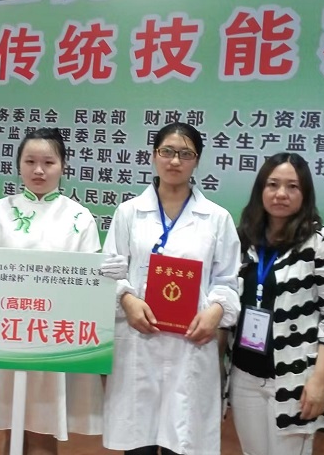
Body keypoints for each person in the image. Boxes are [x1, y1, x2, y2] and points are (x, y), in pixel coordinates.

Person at [0, 127, 125, 455]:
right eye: (30, 161)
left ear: (63, 166)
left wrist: (108, 277)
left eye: (48, 162)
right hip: (5, 334)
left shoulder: (79, 217)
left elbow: (89, 287)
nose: (39, 170)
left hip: (55, 339)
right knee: (11, 426)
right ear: (18, 164)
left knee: (44, 431)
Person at [102, 122, 241, 455]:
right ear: (154, 155)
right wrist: (127, 299)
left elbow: (229, 281)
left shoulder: (217, 218)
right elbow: (110, 271)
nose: (175, 161)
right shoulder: (129, 213)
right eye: (167, 151)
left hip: (190, 346)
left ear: (197, 161)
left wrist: (216, 312)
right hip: (139, 342)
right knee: (139, 444)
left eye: (185, 154)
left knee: (183, 441)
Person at [229, 152, 324, 455]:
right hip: (244, 374)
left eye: (292, 186)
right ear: (261, 190)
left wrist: (319, 380)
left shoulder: (321, 242)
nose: (281, 193)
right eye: (272, 184)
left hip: (294, 377)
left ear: (305, 193)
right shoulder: (244, 240)